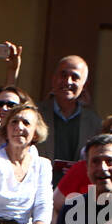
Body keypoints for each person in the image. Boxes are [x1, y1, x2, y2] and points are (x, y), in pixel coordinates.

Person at [36, 56, 101, 185]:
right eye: (63, 75)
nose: (68, 81)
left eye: (75, 77)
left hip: (76, 195)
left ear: (84, 84)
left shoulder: (94, 122)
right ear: (53, 79)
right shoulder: (35, 115)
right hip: (39, 189)